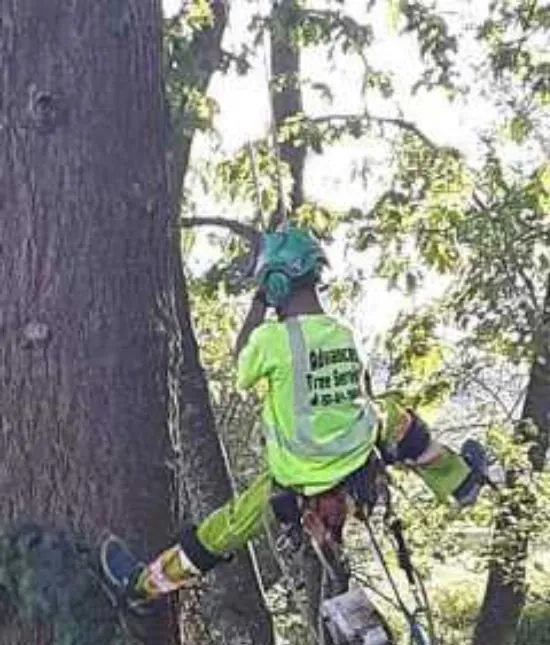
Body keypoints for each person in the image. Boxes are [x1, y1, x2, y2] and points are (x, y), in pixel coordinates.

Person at [101, 226, 487, 609]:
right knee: (393, 415)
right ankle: (460, 480)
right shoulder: (344, 333)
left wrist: (257, 306)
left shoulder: (271, 339)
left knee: (221, 532)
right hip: (356, 463)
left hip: (297, 479)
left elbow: (241, 367)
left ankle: (141, 587)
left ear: (276, 286)